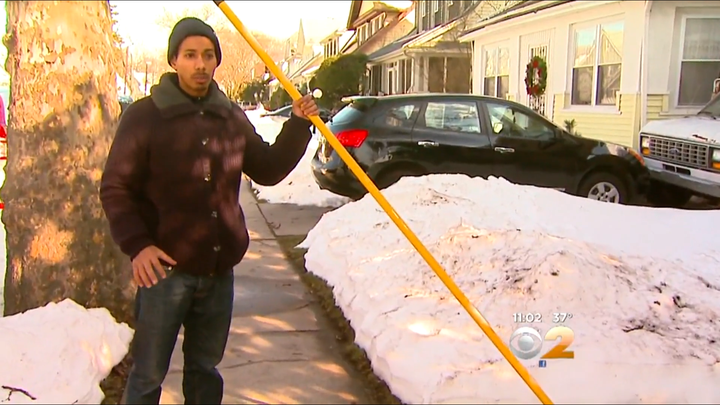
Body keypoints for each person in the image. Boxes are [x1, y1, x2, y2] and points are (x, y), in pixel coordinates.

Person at [99, 17, 319, 405]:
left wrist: (298, 126)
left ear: (216, 60)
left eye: (207, 55)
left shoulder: (229, 115)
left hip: (218, 273)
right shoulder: (145, 116)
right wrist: (138, 245)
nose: (200, 64)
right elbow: (116, 188)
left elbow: (266, 169)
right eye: (190, 55)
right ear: (174, 61)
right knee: (148, 375)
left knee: (204, 370)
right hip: (163, 273)